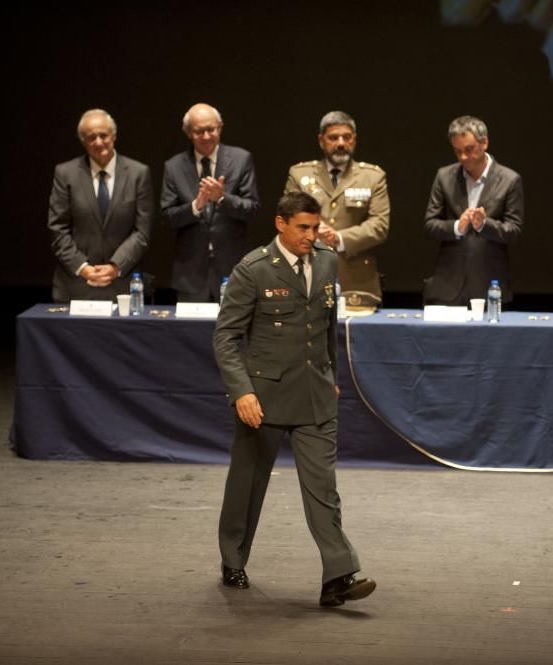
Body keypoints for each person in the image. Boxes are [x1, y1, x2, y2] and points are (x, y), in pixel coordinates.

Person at [212, 191, 375, 608]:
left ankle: (338, 576)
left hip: (315, 394)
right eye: (302, 227)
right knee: (246, 485)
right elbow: (226, 338)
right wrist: (242, 391)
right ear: (280, 224)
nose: (311, 235)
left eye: (315, 227)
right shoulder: (253, 270)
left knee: (324, 489)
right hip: (262, 398)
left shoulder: (325, 260)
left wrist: (330, 377)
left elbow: (324, 328)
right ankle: (233, 559)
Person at [284, 111, 389, 312]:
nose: (340, 143)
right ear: (321, 140)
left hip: (356, 284)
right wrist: (313, 231)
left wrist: (338, 237)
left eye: (346, 137)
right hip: (306, 275)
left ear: (354, 140)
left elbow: (379, 225)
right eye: (333, 137)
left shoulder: (373, 176)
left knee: (354, 340)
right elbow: (289, 217)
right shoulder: (300, 174)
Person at [48, 109, 154, 303]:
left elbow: (142, 231)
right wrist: (83, 268)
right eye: (91, 137)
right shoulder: (65, 173)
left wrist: (115, 266)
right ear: (83, 141)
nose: (98, 142)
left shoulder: (138, 173)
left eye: (103, 135)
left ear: (113, 135)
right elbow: (57, 228)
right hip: (76, 285)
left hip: (124, 286)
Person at [160, 103, 260, 302]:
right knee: (190, 333)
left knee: (234, 332)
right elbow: (167, 218)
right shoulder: (174, 166)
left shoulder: (241, 159)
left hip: (233, 270)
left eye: (211, 129)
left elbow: (252, 209)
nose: (206, 136)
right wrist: (195, 206)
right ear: (188, 132)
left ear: (220, 127)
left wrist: (222, 198)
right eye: (199, 131)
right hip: (191, 274)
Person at [423, 115, 524, 306]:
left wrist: (485, 225)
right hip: (448, 286)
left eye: (469, 150)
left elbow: (514, 231)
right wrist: (456, 227)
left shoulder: (510, 180)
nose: (463, 157)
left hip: (489, 286)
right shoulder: (444, 177)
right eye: (457, 151)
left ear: (484, 142)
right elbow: (430, 224)